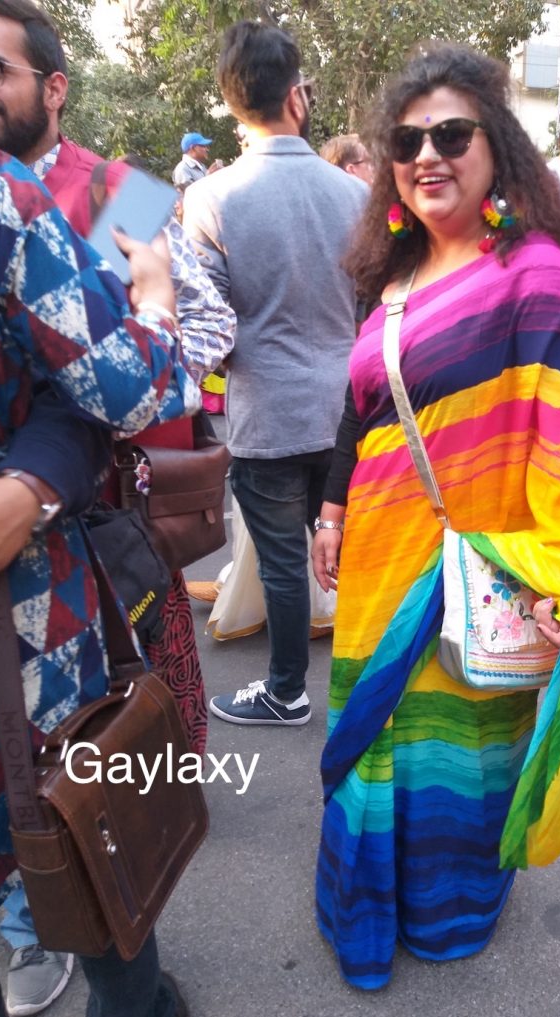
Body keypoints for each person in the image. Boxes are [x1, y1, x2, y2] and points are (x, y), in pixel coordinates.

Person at [310, 41, 560, 991]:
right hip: (376, 565)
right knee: (374, 745)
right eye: (408, 140)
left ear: (498, 150)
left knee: (455, 753)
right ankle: (363, 910)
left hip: (476, 574)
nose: (426, 154)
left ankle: (445, 915)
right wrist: (328, 508)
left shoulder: (537, 277)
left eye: (451, 133)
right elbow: (361, 411)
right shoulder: (391, 277)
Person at [0, 0, 233, 1006]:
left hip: (105, 528)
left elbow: (202, 325)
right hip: (45, 514)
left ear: (52, 88)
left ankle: (76, 912)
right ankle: (27, 916)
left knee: (106, 755)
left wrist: (147, 315)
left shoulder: (114, 193)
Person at [182, 20, 367, 726]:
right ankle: (370, 691)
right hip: (349, 407)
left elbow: (208, 324)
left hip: (267, 413)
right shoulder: (353, 195)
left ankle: (287, 690)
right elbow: (372, 306)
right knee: (355, 546)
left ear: (233, 106)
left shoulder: (211, 198)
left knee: (285, 561)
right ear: (297, 97)